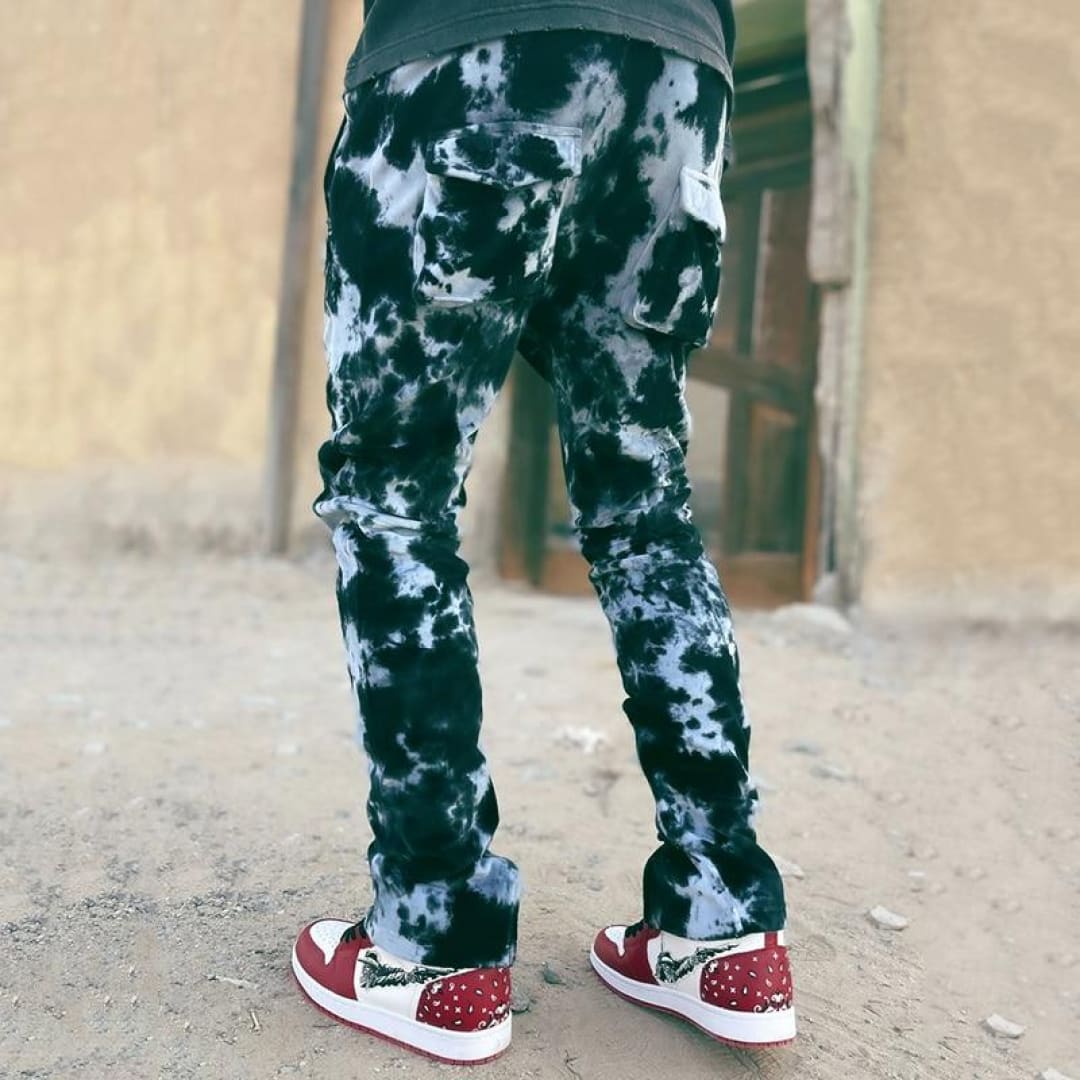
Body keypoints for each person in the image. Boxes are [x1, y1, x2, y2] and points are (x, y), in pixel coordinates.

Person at [290, 0, 795, 1064]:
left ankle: (437, 942)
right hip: (678, 72)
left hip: (474, 52)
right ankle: (725, 928)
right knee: (646, 509)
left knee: (395, 491)